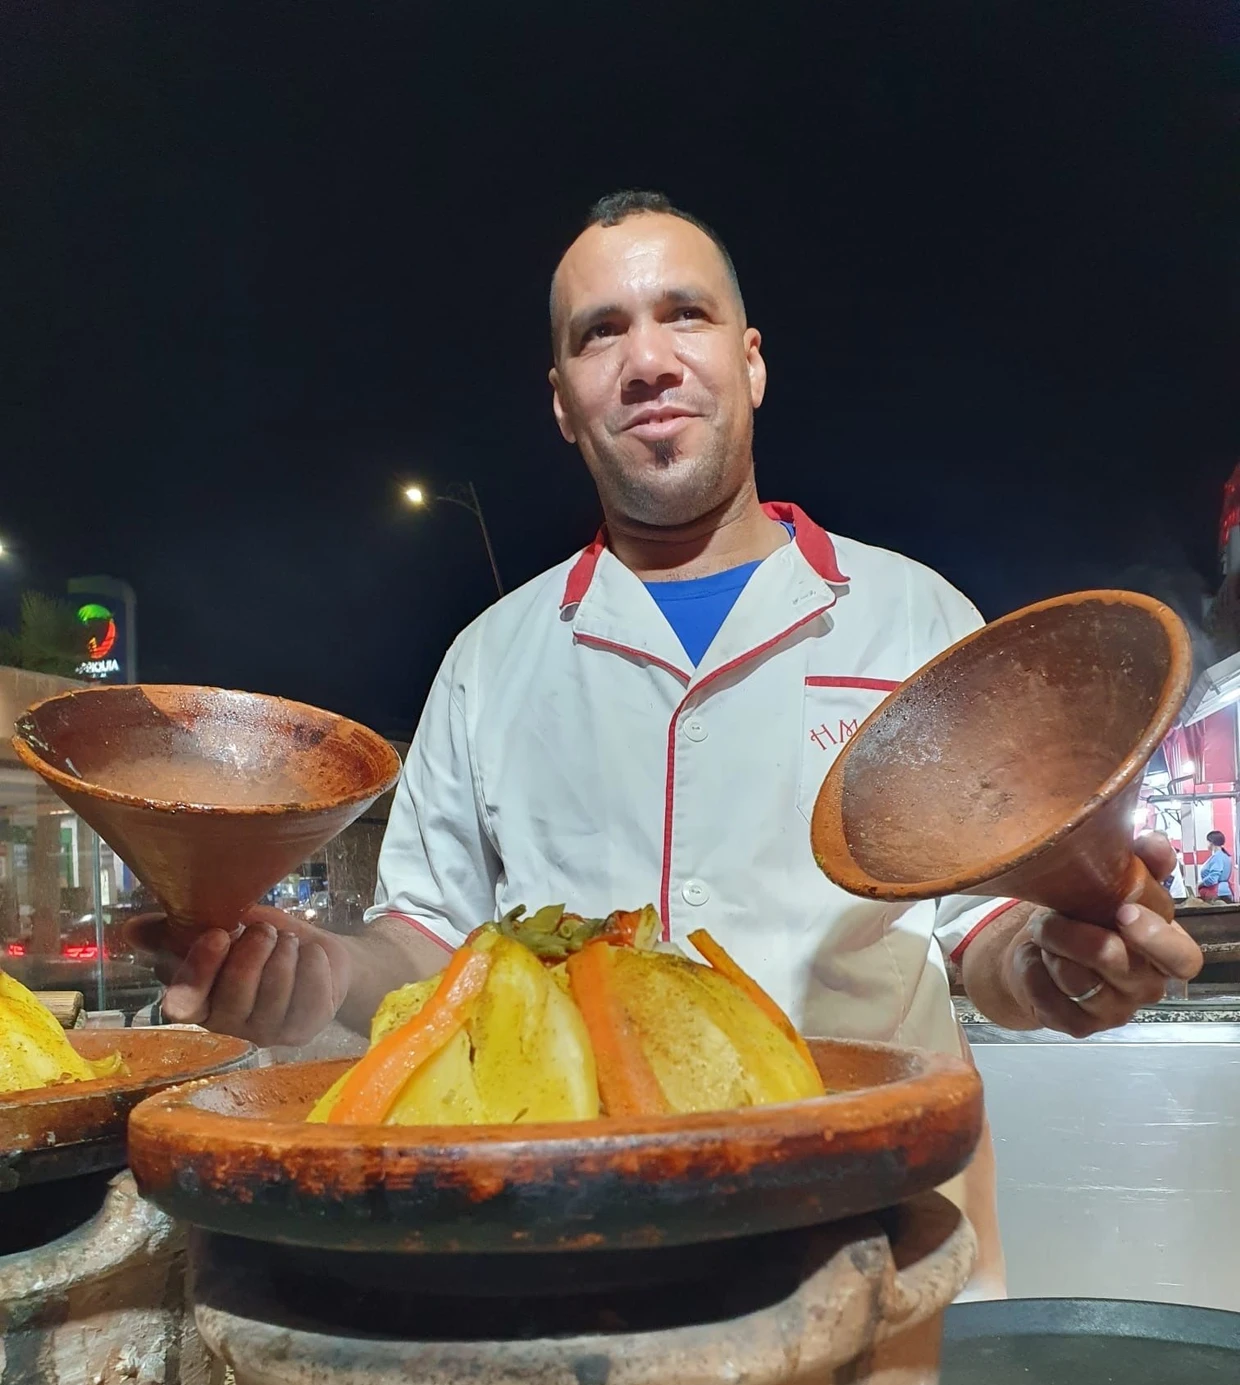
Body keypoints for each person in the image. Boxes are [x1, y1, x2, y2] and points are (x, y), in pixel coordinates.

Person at [144, 190, 1203, 1294]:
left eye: (683, 315)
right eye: (599, 331)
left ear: (749, 362)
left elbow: (989, 935)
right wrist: (316, 978)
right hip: (578, 1249)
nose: (646, 360)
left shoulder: (910, 616)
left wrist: (1060, 965)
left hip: (873, 1233)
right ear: (561, 401)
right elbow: (429, 942)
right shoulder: (492, 658)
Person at [1199, 831, 1234, 901]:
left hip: (1217, 894)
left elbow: (1213, 879)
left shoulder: (1217, 857)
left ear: (1211, 842)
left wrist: (1201, 884)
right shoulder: (1224, 856)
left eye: (1207, 841)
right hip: (1225, 891)